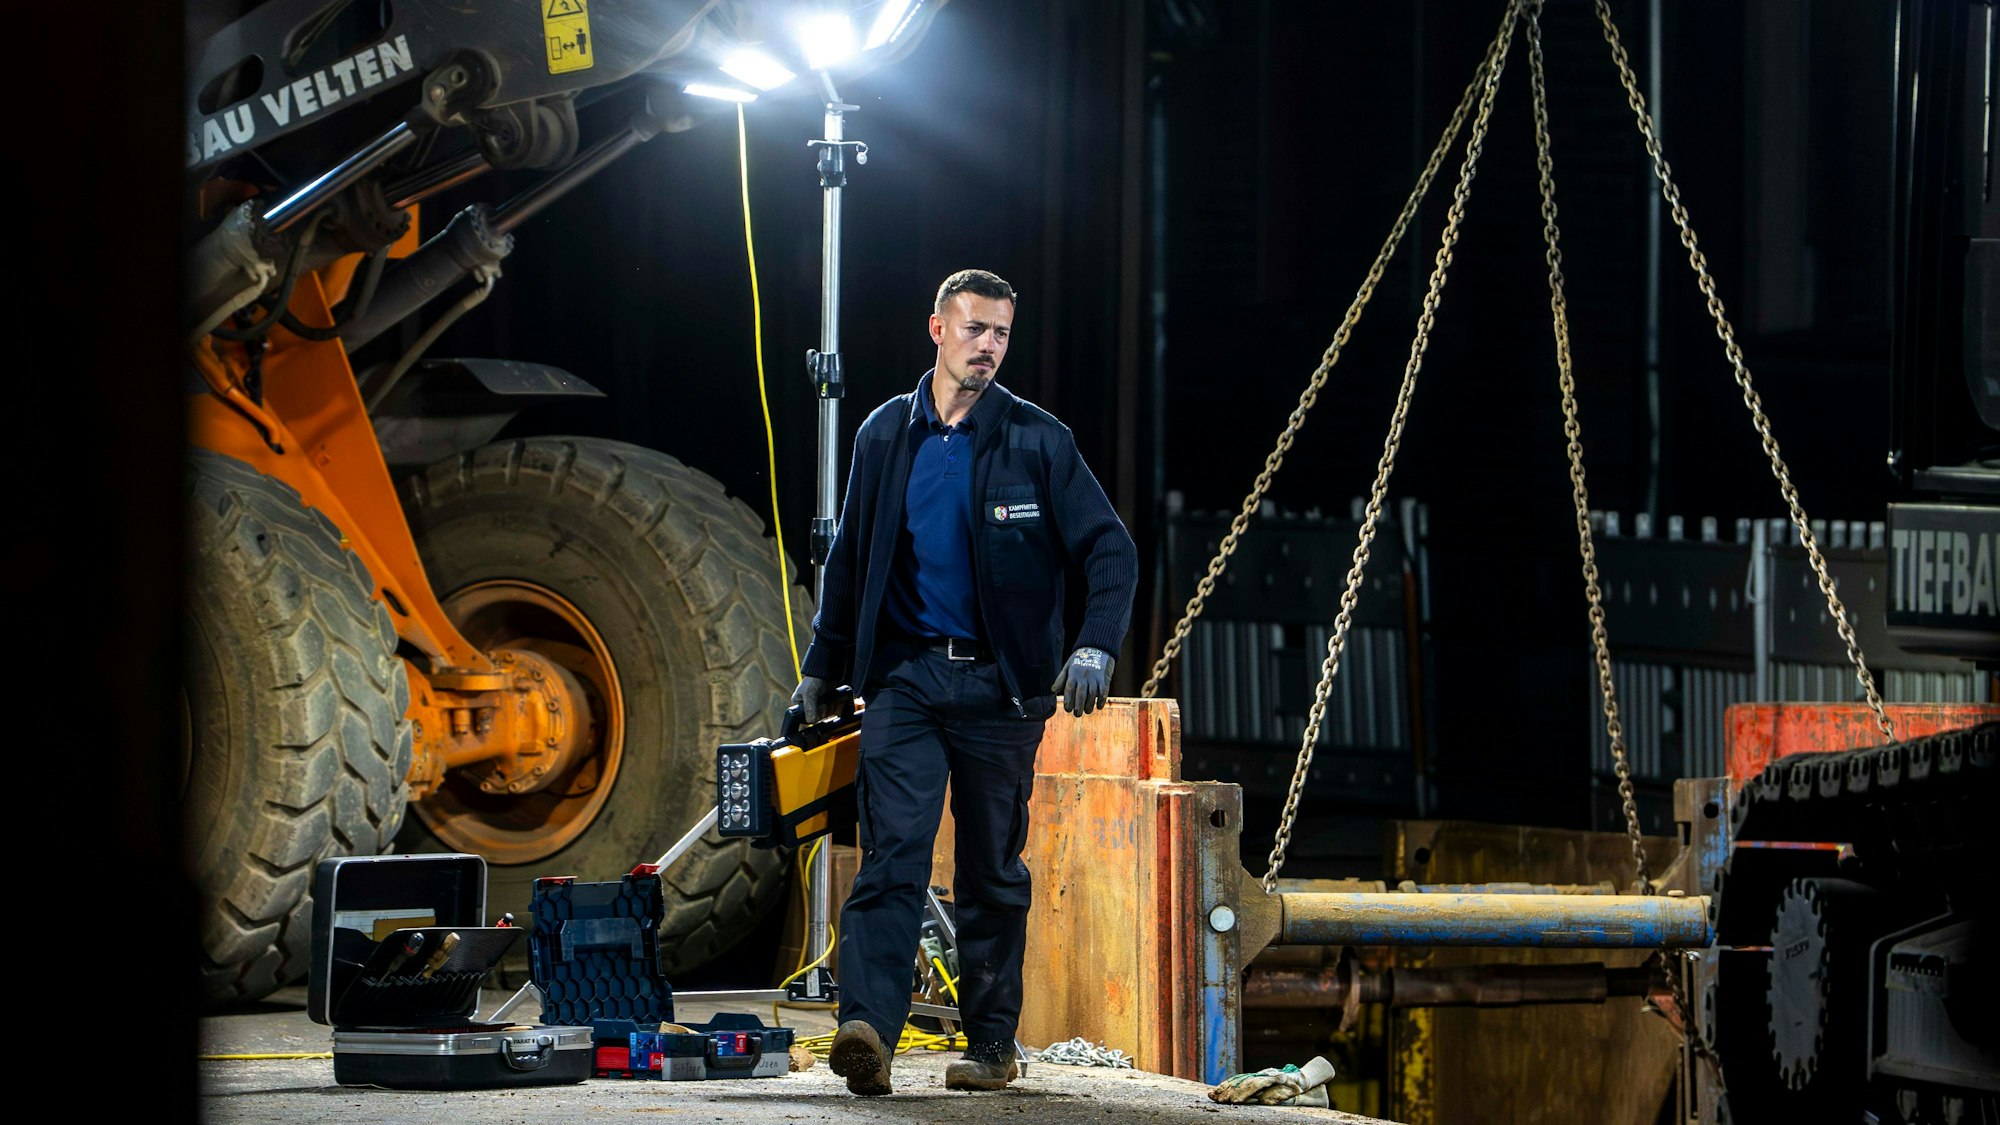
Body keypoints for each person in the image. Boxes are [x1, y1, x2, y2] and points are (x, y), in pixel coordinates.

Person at [791, 268, 1137, 1095]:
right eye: (976, 328)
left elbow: (1110, 549)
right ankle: (866, 1029)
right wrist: (820, 668)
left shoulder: (1037, 441)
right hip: (904, 680)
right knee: (892, 855)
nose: (990, 346)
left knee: (990, 872)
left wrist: (1094, 646)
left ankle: (989, 1044)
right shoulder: (883, 435)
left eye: (1003, 334)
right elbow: (848, 564)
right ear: (938, 330)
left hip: (999, 690)